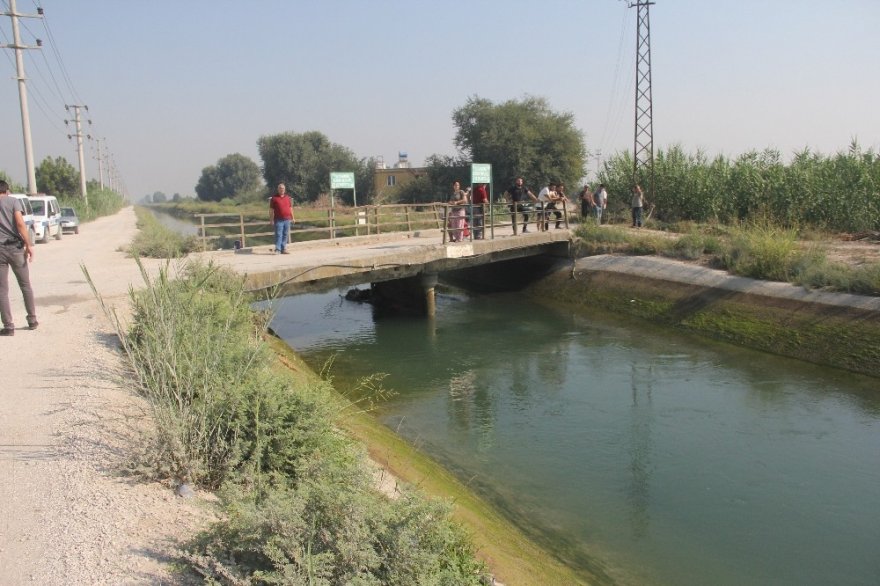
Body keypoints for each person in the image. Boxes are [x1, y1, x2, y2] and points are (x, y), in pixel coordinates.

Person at [0, 180, 37, 336]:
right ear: (7, 190)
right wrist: (29, 245)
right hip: (15, 249)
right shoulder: (13, 201)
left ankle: (8, 326)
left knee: (2, 291)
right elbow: (21, 224)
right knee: (25, 285)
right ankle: (32, 320)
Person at [269, 183, 294, 254]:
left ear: (284, 189)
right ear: (278, 189)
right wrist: (271, 219)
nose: (282, 189)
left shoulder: (287, 198)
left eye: (283, 188)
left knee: (285, 234)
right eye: (280, 188)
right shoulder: (274, 198)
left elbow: (290, 208)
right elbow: (271, 210)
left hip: (287, 219)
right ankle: (278, 249)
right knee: (278, 234)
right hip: (278, 220)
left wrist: (293, 217)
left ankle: (283, 249)